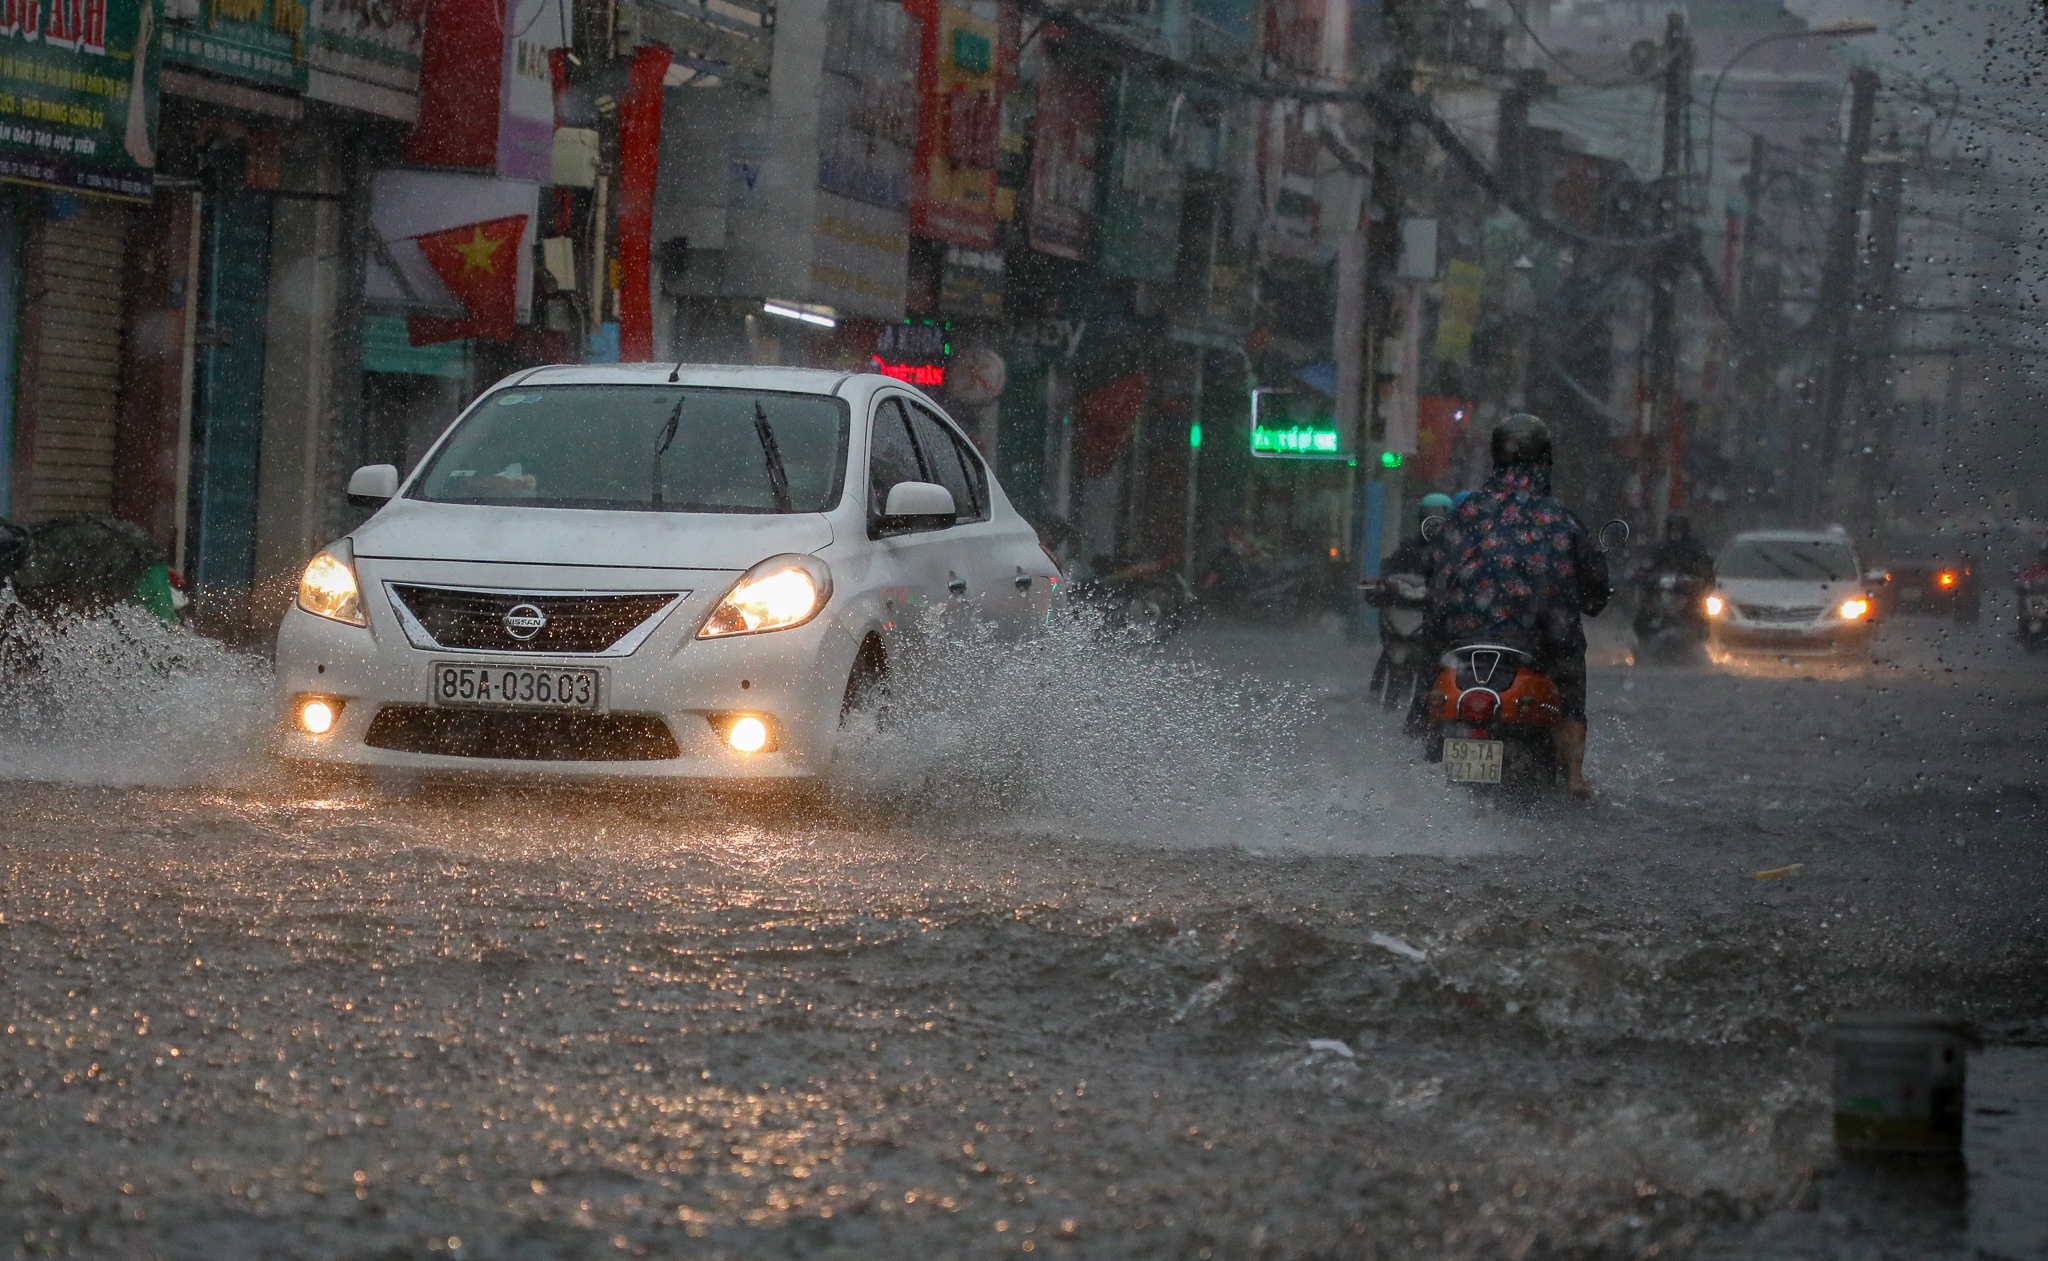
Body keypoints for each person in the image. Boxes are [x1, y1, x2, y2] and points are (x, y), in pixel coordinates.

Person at [1424, 414, 1610, 796]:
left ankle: (1421, 731)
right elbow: (1595, 590)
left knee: (1429, 663)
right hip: (1536, 641)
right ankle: (1574, 775)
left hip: (1465, 640)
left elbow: (1436, 577)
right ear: (1545, 460)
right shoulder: (1560, 519)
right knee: (1571, 678)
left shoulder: (1466, 512)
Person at [1646, 515, 1715, 585]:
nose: (1675, 533)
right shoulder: (1663, 545)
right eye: (1672, 529)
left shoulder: (1692, 545)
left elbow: (1702, 560)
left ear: (1684, 531)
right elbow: (1654, 560)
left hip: (1687, 582)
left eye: (1678, 529)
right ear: (1668, 531)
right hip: (1664, 580)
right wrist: (1647, 569)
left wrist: (1698, 574)